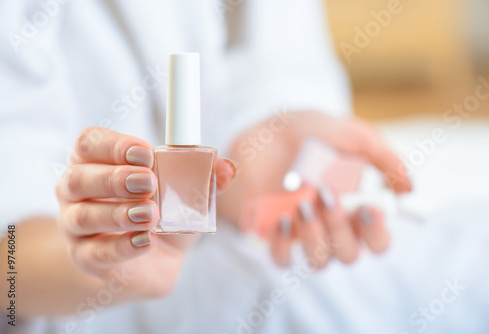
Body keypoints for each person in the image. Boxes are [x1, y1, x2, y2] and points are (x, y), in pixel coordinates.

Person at [0, 0, 418, 333]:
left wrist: (261, 137)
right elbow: (9, 262)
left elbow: (272, 52)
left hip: (207, 255)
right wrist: (87, 262)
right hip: (46, 296)